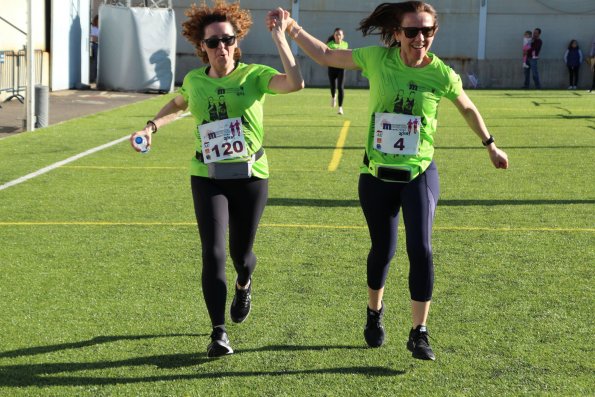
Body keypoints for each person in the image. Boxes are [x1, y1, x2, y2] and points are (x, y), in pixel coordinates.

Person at [267, 1, 508, 361]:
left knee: (421, 249)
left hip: (419, 173)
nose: (419, 38)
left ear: (434, 33)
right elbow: (328, 56)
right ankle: (374, 312)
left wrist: (490, 144)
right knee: (383, 250)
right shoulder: (378, 60)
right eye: (411, 31)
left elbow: (467, 107)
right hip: (376, 175)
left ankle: (419, 332)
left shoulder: (440, 74)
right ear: (397, 33)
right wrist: (292, 30)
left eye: (426, 31)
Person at [130, 0, 303, 358]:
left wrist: (280, 36)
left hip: (251, 175)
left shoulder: (253, 75)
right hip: (206, 175)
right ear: (202, 48)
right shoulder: (195, 81)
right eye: (213, 42)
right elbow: (179, 104)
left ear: (236, 42)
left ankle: (244, 282)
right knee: (212, 253)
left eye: (228, 39)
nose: (221, 46)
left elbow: (295, 83)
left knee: (241, 254)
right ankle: (218, 332)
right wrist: (151, 128)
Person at [326, 28, 349, 114]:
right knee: (333, 87)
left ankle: (340, 108)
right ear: (334, 36)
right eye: (336, 34)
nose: (338, 36)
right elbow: (330, 52)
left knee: (340, 87)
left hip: (341, 68)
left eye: (340, 34)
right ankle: (333, 97)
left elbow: (343, 52)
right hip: (332, 68)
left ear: (342, 36)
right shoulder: (330, 44)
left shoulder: (345, 44)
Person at [90, 15, 99, 83]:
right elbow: (94, 38)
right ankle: (94, 78)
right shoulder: (93, 28)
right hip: (96, 45)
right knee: (95, 62)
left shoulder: (101, 28)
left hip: (100, 45)